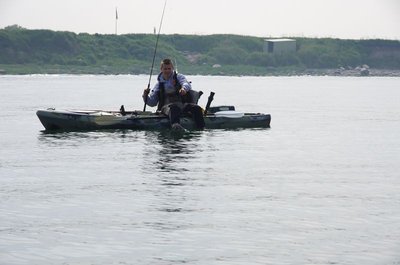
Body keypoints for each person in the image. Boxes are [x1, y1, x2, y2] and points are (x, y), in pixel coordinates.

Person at [142, 58, 205, 130]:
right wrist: (145, 95)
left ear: (172, 68)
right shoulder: (159, 85)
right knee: (174, 108)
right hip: (166, 108)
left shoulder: (178, 77)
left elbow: (186, 83)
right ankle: (176, 126)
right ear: (161, 69)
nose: (167, 71)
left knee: (196, 108)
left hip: (181, 105)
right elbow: (152, 103)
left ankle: (201, 128)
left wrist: (183, 89)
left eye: (169, 68)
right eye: (165, 69)